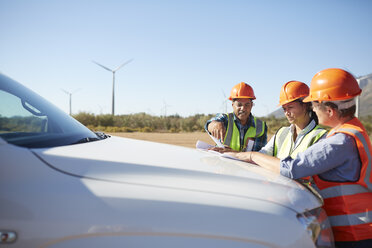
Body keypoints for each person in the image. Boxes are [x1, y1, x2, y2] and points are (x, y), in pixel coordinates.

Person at [227, 68, 372, 247]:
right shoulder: (350, 131)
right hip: (348, 227)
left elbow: (292, 168)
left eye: (314, 104)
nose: (314, 109)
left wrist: (251, 155)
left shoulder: (340, 141)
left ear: (330, 110)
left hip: (354, 232)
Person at [260, 80, 327, 159]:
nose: (286, 113)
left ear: (306, 105)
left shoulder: (320, 136)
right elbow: (263, 154)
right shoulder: (281, 133)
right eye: (284, 109)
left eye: (290, 107)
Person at [205, 82, 267, 152]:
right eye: (239, 104)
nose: (243, 108)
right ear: (232, 105)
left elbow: (259, 155)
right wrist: (214, 124)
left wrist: (233, 153)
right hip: (222, 162)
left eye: (247, 105)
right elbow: (209, 124)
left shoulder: (260, 127)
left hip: (246, 163)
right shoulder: (225, 119)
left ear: (251, 105)